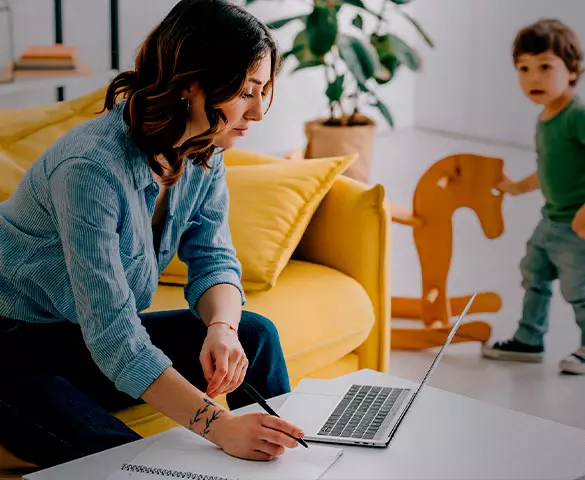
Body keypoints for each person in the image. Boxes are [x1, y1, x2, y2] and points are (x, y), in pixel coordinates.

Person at [0, 0, 305, 469]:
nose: (259, 111)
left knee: (253, 334)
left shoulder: (203, 150)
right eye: (245, 91)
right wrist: (219, 427)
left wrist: (222, 327)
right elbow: (116, 337)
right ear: (189, 83)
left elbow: (214, 260)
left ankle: (288, 462)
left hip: (73, 337)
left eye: (263, 90)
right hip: (11, 348)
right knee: (126, 460)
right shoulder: (90, 169)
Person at [482, 19, 585, 375]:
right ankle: (529, 339)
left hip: (576, 225)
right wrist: (517, 188)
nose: (533, 78)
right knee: (534, 275)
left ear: (573, 71)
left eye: (545, 67)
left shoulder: (577, 115)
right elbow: (549, 168)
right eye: (523, 68)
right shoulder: (545, 118)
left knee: (579, 288)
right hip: (551, 219)